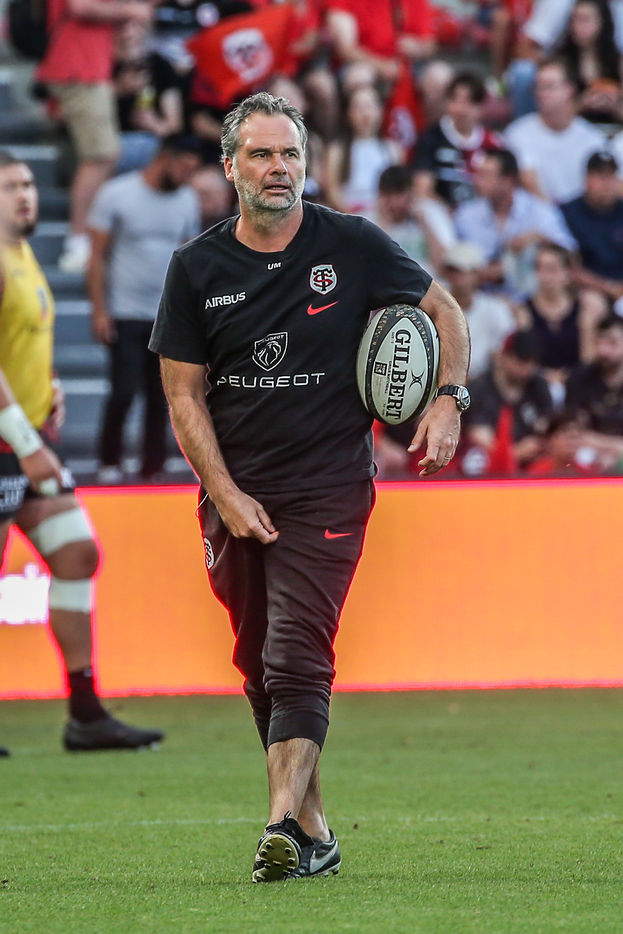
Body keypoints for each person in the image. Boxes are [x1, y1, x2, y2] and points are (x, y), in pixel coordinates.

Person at [149, 91, 470, 881]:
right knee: (257, 660)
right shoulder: (195, 267)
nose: (278, 167)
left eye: (289, 153)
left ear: (305, 162)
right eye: (260, 154)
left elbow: (445, 310)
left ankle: (275, 826)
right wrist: (224, 493)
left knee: (296, 652)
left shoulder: (351, 243)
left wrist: (447, 399)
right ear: (231, 167)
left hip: (329, 485)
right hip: (235, 493)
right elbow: (183, 397)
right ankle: (313, 831)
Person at [0, 150, 164, 752]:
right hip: (11, 444)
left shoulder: (21, 256)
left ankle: (86, 712)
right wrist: (25, 442)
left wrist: (50, 388)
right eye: (10, 187)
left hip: (25, 438)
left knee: (77, 553)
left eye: (27, 184)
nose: (25, 195)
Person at [87, 135, 201, 484]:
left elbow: (189, 257)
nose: (186, 176)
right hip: (125, 311)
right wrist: (100, 310)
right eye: (183, 167)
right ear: (165, 157)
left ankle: (153, 467)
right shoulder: (117, 193)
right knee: (123, 390)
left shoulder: (187, 199)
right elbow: (97, 257)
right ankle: (109, 461)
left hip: (166, 315)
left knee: (161, 395)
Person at [35, 0, 154, 274]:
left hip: (85, 67)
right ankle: (78, 241)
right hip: (79, 67)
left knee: (104, 154)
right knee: (100, 155)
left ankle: (83, 238)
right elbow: (80, 6)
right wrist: (130, 10)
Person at [454, 148, 577, 295]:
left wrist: (539, 239)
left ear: (507, 181)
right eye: (479, 174)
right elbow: (452, 268)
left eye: (486, 176)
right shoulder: (466, 215)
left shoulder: (539, 211)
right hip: (482, 298)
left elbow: (572, 257)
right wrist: (495, 269)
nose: (477, 181)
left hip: (533, 299)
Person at [504, 57, 607, 204]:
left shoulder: (593, 138)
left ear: (570, 89)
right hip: (537, 214)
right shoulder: (517, 134)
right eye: (538, 87)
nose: (541, 93)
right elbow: (529, 184)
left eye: (549, 86)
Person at [462, 330, 553, 475]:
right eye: (521, 361)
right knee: (475, 459)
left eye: (532, 363)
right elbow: (478, 433)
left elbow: (547, 424)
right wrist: (514, 453)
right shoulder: (480, 387)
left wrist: (537, 443)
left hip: (532, 458)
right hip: (491, 459)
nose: (527, 369)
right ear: (504, 356)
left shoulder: (538, 385)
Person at [412, 71, 502, 208]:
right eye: (455, 100)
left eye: (468, 102)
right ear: (446, 102)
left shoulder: (493, 143)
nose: (461, 109)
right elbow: (422, 189)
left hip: (482, 213)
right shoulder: (431, 139)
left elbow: (500, 188)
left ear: (481, 107)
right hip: (442, 211)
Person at [560, 150, 623, 309]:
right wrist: (609, 287)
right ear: (587, 179)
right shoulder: (569, 213)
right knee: (592, 303)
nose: (607, 183)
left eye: (611, 176)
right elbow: (570, 267)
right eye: (601, 176)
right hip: (589, 290)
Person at [565, 312, 623, 470]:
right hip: (591, 451)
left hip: (614, 449)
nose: (604, 350)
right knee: (578, 456)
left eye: (612, 342)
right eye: (599, 342)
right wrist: (611, 447)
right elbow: (575, 432)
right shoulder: (579, 378)